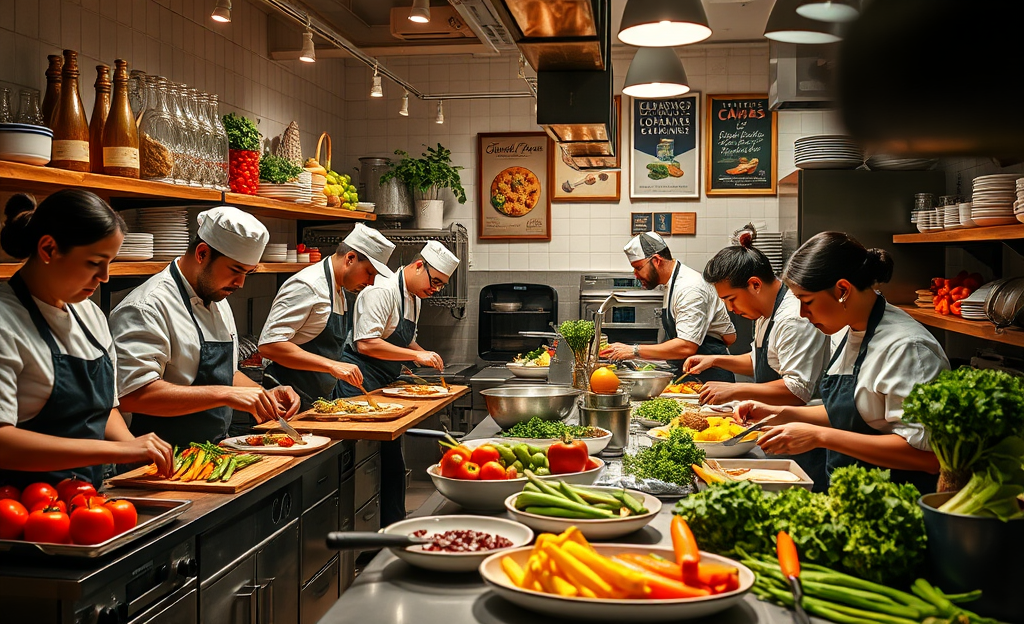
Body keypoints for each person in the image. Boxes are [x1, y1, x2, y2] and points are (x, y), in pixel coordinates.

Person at [736, 232, 947, 493]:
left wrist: (820, 436)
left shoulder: (907, 348)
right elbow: (856, 412)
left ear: (843, 290)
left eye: (807, 301)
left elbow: (927, 457)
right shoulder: (847, 330)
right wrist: (778, 413)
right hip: (850, 493)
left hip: (895, 498)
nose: (802, 313)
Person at [0, 191, 174, 487]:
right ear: (48, 249)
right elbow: (3, 444)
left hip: (85, 499)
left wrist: (138, 450)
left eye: (110, 262)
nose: (105, 276)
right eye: (95, 262)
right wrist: (120, 451)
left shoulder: (91, 315)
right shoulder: (6, 321)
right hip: (21, 505)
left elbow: (104, 410)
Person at [110, 206, 300, 449]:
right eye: (235, 270)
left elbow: (226, 374)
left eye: (248, 273)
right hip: (159, 459)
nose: (241, 283)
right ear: (202, 253)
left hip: (212, 451)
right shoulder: (146, 307)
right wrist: (226, 394)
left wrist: (263, 395)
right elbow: (132, 395)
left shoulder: (217, 297)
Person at [339, 240, 459, 526]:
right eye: (435, 282)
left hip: (384, 382)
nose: (435, 289)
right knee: (368, 462)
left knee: (391, 461)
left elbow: (402, 340)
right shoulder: (381, 291)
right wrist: (416, 356)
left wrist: (422, 353)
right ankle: (377, 528)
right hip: (359, 384)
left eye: (441, 286)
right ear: (418, 266)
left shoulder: (414, 297)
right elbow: (367, 343)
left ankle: (392, 525)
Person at [259, 224, 396, 409]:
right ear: (350, 258)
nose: (371, 282)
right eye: (369, 273)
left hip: (318, 399)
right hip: (286, 402)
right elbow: (269, 345)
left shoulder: (340, 289)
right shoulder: (308, 286)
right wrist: (331, 365)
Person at [685, 231, 829, 406]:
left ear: (755, 285)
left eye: (731, 299)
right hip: (773, 413)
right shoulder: (765, 312)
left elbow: (797, 391)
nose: (730, 308)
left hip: (800, 418)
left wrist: (734, 390)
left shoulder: (793, 318)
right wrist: (714, 360)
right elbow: (762, 361)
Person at [601, 232, 737, 382]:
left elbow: (686, 346)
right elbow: (728, 336)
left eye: (638, 267)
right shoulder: (672, 283)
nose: (636, 275)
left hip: (711, 379)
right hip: (691, 374)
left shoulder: (690, 288)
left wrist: (633, 350)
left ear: (656, 261)